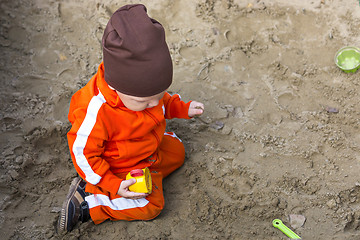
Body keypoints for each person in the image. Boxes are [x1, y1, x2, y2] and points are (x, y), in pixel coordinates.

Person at [57, 4, 204, 232]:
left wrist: (182, 108)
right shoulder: (98, 112)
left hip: (144, 145)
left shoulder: (140, 94)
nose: (154, 105)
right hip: (120, 165)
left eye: (158, 96)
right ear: (116, 88)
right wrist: (112, 183)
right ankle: (88, 201)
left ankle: (151, 164)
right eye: (145, 102)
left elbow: (162, 100)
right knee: (150, 205)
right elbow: (82, 153)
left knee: (177, 151)